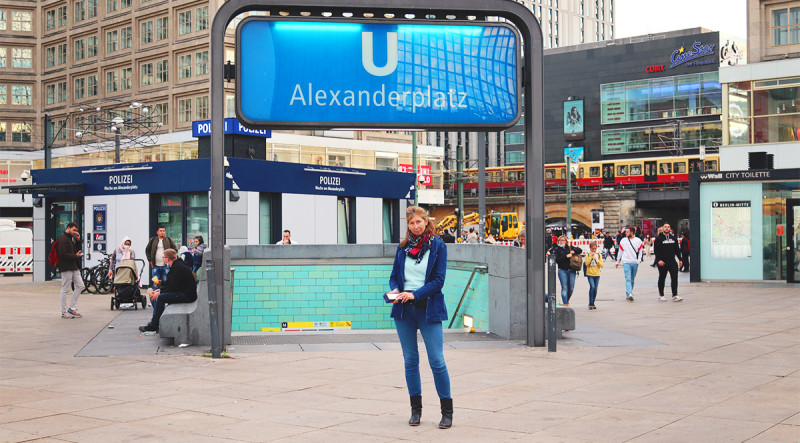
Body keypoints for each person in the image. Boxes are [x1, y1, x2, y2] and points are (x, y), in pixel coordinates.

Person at [387, 206, 453, 429]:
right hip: (404, 310)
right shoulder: (403, 248)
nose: (416, 226)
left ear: (426, 222)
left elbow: (439, 281)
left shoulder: (437, 246)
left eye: (419, 222)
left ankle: (447, 412)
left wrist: (415, 294)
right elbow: (394, 276)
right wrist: (395, 290)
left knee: (437, 360)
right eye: (412, 223)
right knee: (410, 360)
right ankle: (416, 411)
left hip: (428, 309)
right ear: (408, 225)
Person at [139, 249, 198, 332]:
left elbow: (172, 287)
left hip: (187, 296)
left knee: (161, 298)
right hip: (186, 293)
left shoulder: (177, 268)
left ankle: (153, 325)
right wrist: (160, 288)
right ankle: (155, 322)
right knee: (160, 296)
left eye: (164, 257)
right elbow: (172, 284)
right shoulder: (177, 265)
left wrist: (159, 293)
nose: (163, 259)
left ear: (167, 258)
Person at [57, 222, 85, 318]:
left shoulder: (70, 239)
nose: (75, 232)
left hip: (73, 266)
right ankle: (63, 311)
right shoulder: (63, 239)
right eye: (73, 230)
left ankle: (72, 307)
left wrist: (78, 241)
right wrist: (75, 256)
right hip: (66, 267)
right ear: (68, 228)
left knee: (81, 285)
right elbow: (62, 254)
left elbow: (76, 250)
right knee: (65, 289)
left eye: (76, 230)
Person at [550, 235, 582, 307]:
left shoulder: (569, 247)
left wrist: (574, 251)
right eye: (560, 240)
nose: (561, 242)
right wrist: (566, 256)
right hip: (562, 270)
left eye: (562, 240)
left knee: (571, 288)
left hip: (572, 270)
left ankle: (566, 301)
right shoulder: (557, 249)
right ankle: (566, 304)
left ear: (566, 241)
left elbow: (580, 250)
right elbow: (556, 259)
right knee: (564, 287)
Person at [654, 223, 683, 302]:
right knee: (662, 278)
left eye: (668, 227)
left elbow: (677, 250)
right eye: (665, 227)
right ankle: (661, 295)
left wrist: (680, 259)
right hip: (662, 262)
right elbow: (656, 251)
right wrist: (658, 260)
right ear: (663, 228)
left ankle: (675, 295)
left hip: (672, 261)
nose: (667, 228)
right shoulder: (659, 238)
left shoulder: (673, 238)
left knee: (674, 278)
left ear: (670, 229)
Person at [145, 226, 177, 291]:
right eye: (161, 231)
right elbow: (147, 250)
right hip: (155, 265)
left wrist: (170, 260)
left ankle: (164, 297)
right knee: (156, 283)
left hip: (166, 266)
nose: (162, 232)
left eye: (163, 231)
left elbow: (175, 250)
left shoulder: (168, 240)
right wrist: (150, 260)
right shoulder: (153, 240)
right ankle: (156, 299)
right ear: (157, 232)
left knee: (165, 282)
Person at [616, 226, 644, 302]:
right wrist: (618, 261)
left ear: (632, 232)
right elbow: (620, 251)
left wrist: (638, 261)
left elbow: (641, 251)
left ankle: (628, 293)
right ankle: (630, 293)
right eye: (625, 232)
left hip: (634, 262)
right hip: (626, 262)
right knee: (628, 278)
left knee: (632, 279)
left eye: (627, 232)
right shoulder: (623, 240)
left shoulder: (638, 241)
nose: (626, 233)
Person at [584, 241, 603, 310]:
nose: (594, 250)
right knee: (592, 287)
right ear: (590, 248)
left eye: (595, 248)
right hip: (590, 274)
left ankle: (593, 302)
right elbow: (586, 263)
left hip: (597, 274)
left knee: (595, 289)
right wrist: (591, 257)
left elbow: (602, 265)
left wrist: (597, 260)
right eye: (592, 249)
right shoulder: (588, 255)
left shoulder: (599, 255)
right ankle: (590, 302)